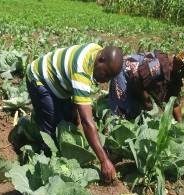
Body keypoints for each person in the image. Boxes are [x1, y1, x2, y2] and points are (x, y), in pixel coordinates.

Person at [26, 43, 124, 183]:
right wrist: (104, 160)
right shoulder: (81, 70)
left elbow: (79, 97)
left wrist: (74, 110)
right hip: (39, 78)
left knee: (68, 121)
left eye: (110, 78)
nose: (105, 81)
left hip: (60, 84)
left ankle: (39, 120)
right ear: (101, 59)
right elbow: (87, 122)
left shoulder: (96, 51)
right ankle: (46, 168)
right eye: (106, 74)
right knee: (51, 132)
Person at [109, 46, 184, 122]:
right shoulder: (158, 66)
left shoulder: (175, 74)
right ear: (183, 64)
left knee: (136, 114)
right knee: (121, 115)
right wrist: (145, 99)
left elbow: (174, 102)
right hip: (123, 71)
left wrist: (181, 125)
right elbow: (137, 76)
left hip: (136, 80)